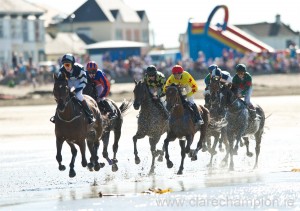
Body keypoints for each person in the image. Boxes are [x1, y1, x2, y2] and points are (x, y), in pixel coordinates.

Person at [50, 53, 95, 124]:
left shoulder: (79, 69)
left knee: (79, 96)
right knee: (62, 97)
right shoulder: (62, 70)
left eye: (68, 65)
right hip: (69, 81)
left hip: (78, 81)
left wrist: (76, 90)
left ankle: (89, 114)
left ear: (72, 64)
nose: (66, 67)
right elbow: (60, 82)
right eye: (65, 65)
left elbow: (84, 82)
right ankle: (56, 116)